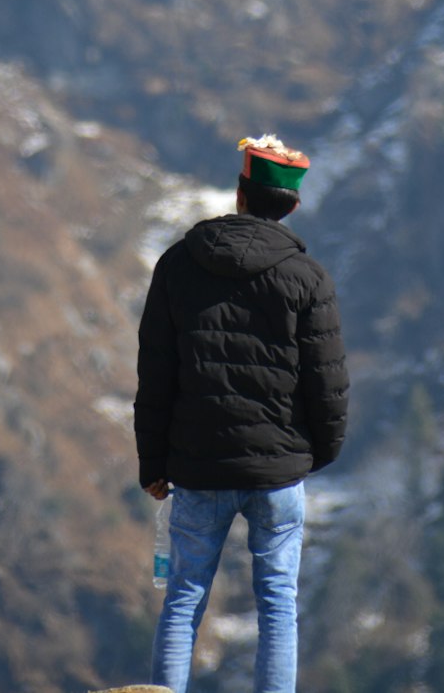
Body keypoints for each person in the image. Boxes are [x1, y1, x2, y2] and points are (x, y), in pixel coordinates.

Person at [134, 133, 349, 693]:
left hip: (197, 466)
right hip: (278, 471)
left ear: (240, 194)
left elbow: (156, 374)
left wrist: (153, 462)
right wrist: (315, 454)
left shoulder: (178, 265)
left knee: (183, 599)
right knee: (278, 604)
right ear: (293, 207)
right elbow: (327, 382)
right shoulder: (309, 279)